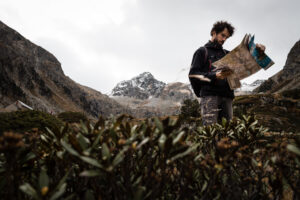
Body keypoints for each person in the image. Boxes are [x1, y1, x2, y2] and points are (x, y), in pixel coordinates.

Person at [189, 21, 265, 126]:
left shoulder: (228, 54)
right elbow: (193, 74)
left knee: (227, 134)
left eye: (227, 37)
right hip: (210, 97)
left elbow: (248, 59)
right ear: (214, 32)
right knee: (211, 132)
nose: (224, 39)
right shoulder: (202, 51)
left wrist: (258, 51)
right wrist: (215, 75)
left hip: (227, 97)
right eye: (222, 35)